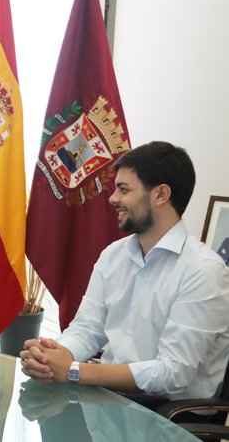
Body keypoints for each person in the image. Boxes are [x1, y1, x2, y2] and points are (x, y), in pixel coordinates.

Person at [20, 141, 229, 402]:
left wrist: (74, 372)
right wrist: (52, 355)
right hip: (106, 401)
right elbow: (87, 329)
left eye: (123, 189)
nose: (113, 198)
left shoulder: (204, 271)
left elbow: (172, 374)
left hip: (168, 419)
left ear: (161, 195)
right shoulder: (113, 255)